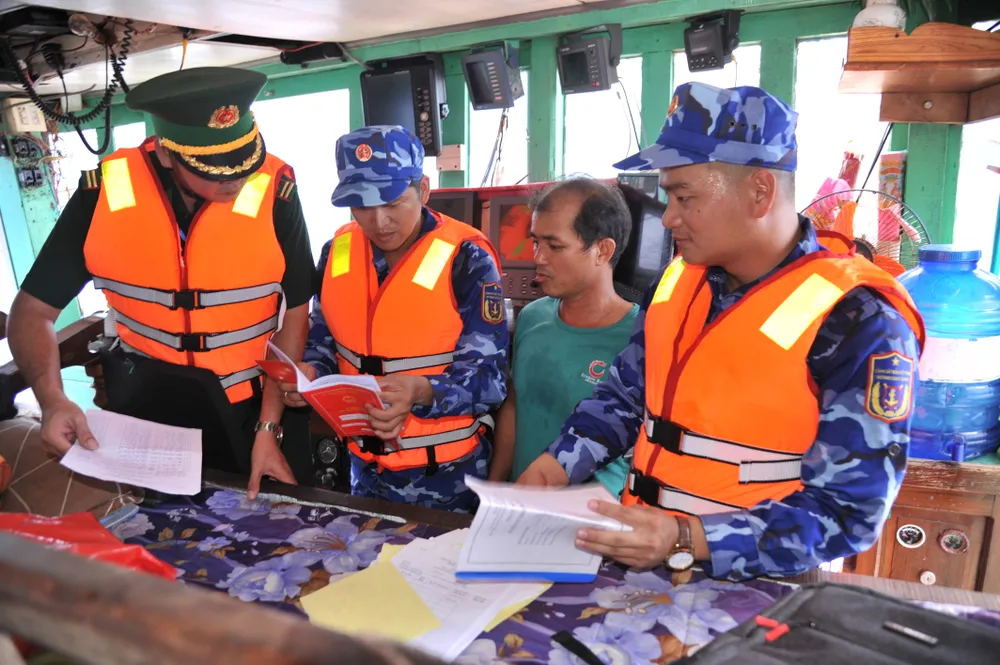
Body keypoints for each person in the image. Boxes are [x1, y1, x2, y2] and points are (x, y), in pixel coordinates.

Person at [518, 82, 926, 581]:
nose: (668, 218)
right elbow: (628, 395)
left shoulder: (860, 318)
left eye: (683, 197)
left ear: (760, 191)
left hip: (757, 583)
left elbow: (850, 513)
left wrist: (689, 538)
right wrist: (557, 464)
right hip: (637, 565)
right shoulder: (678, 281)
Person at [7, 67, 315, 500]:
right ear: (168, 154)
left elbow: (296, 313)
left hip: (254, 407)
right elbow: (32, 312)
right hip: (148, 412)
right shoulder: (101, 194)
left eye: (243, 162)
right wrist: (53, 397)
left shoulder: (276, 189)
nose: (235, 179)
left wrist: (268, 426)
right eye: (214, 170)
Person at [282, 125, 508, 513]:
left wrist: (422, 392)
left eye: (392, 202)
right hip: (362, 472)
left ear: (422, 189)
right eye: (362, 206)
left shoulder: (467, 260)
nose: (379, 221)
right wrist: (309, 377)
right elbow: (323, 344)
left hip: (448, 480)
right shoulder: (337, 251)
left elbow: (491, 382)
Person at [490, 178, 637, 496]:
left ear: (603, 250)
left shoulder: (641, 339)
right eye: (536, 243)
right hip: (523, 513)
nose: (538, 258)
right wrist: (495, 490)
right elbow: (516, 406)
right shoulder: (533, 317)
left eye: (554, 246)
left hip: (595, 525)